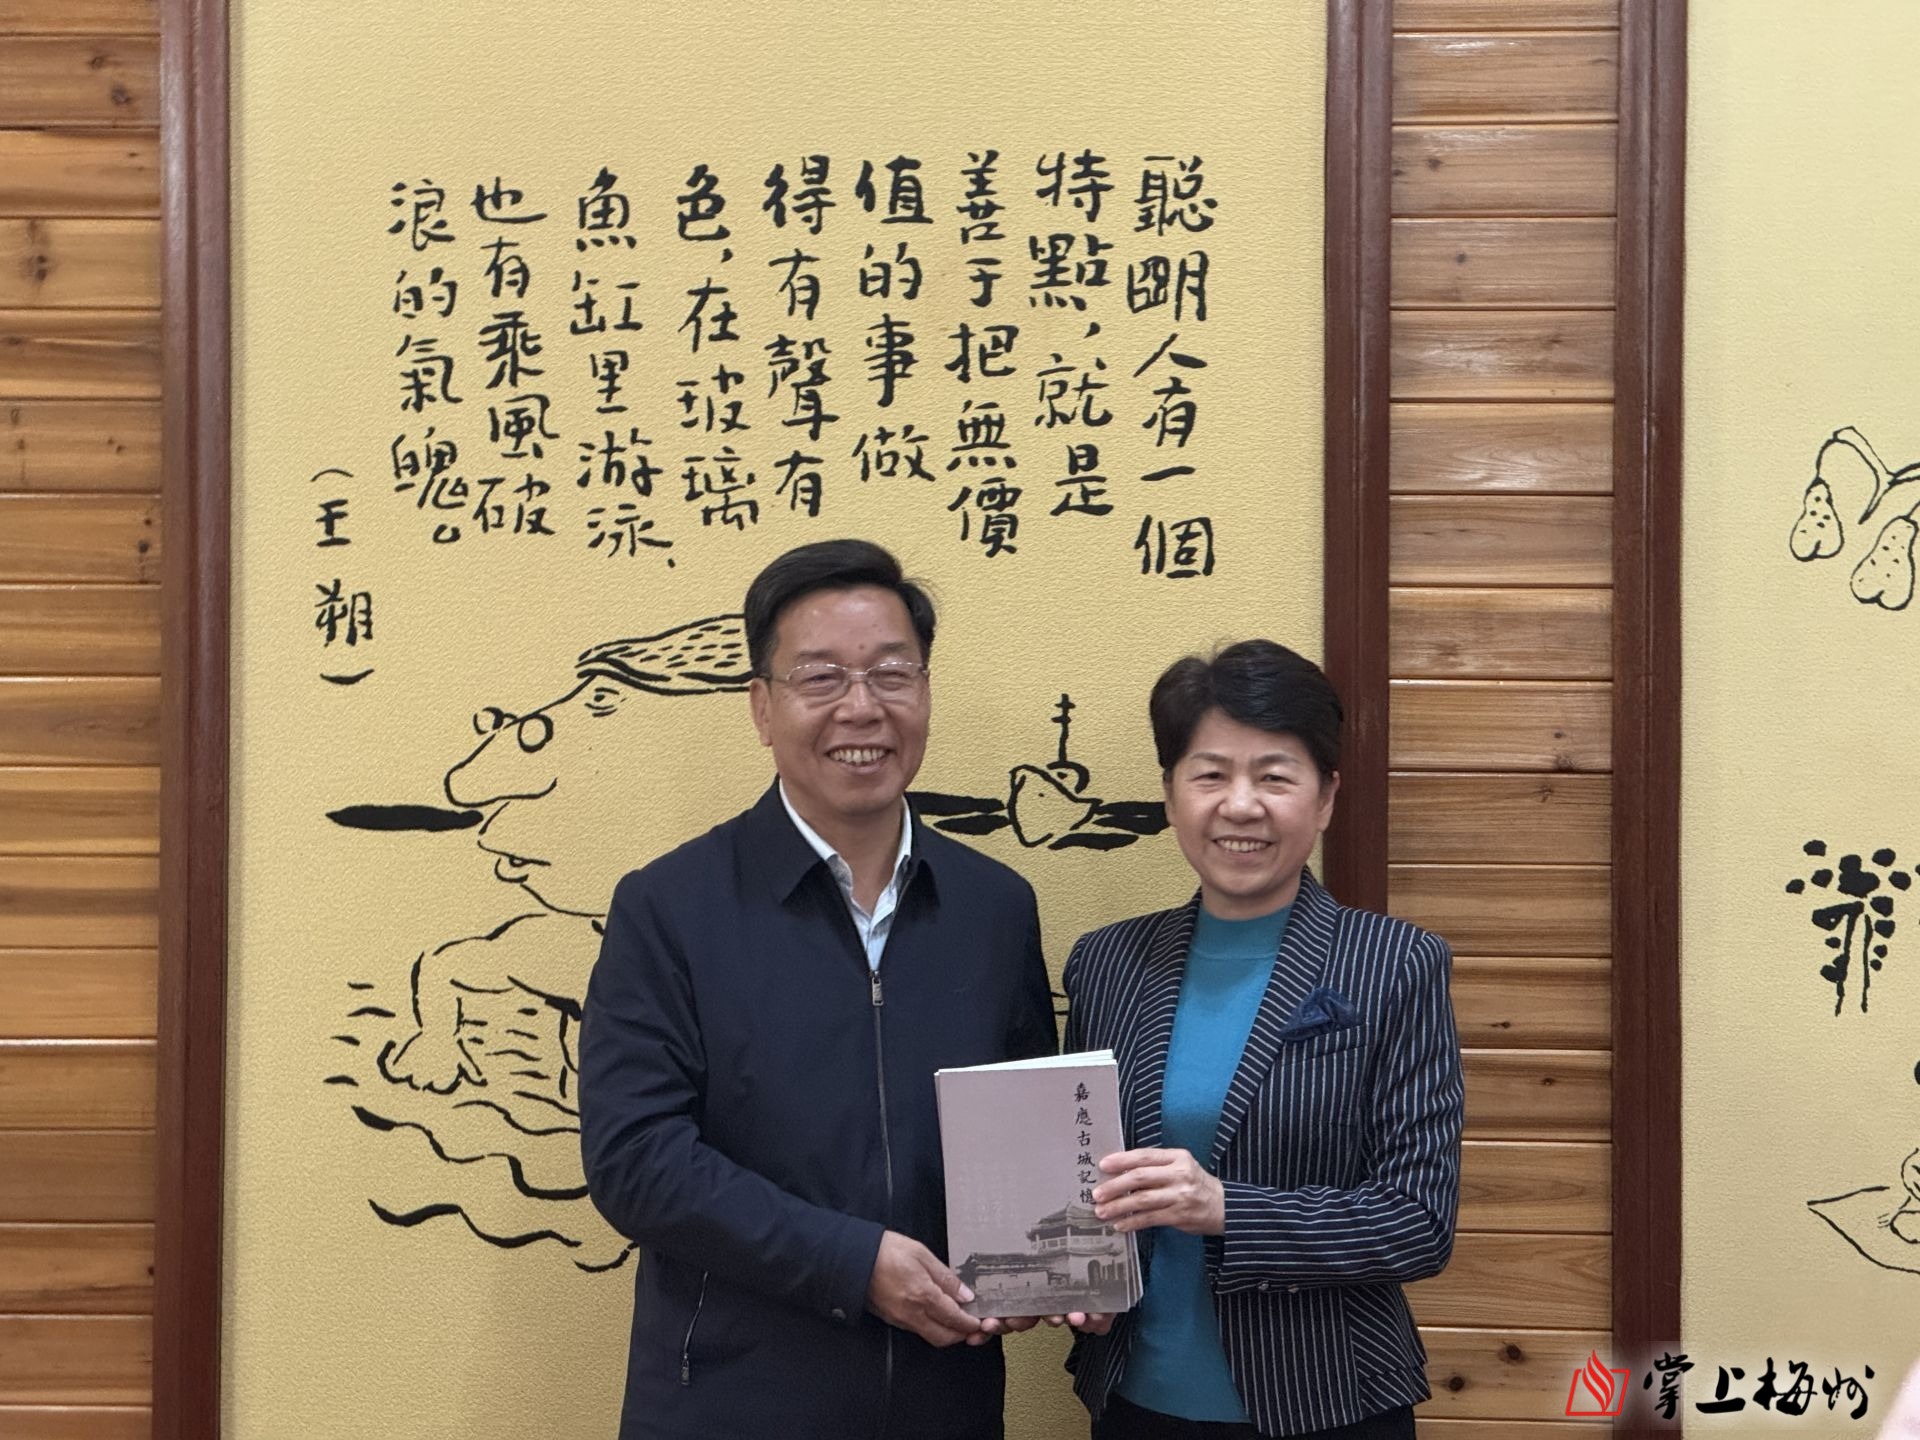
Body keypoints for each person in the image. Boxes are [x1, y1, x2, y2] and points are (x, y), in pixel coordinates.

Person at [579, 539, 1058, 1440]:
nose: (862, 707)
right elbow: (634, 1160)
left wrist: (1048, 1263)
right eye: (821, 677)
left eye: (892, 674)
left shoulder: (995, 906)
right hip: (727, 1405)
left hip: (943, 1404)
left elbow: (1021, 1133)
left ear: (925, 692)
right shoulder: (668, 906)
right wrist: (853, 1262)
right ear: (762, 707)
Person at [1059, 640, 1463, 1440]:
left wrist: (1225, 1208)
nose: (1240, 806)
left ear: (1326, 797)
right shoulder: (1106, 963)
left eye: (1275, 776)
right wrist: (1076, 1278)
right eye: (1210, 775)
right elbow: (1083, 1173)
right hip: (1137, 1402)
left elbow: (1418, 1220)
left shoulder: (1395, 964)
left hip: (1330, 1404)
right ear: (1171, 795)